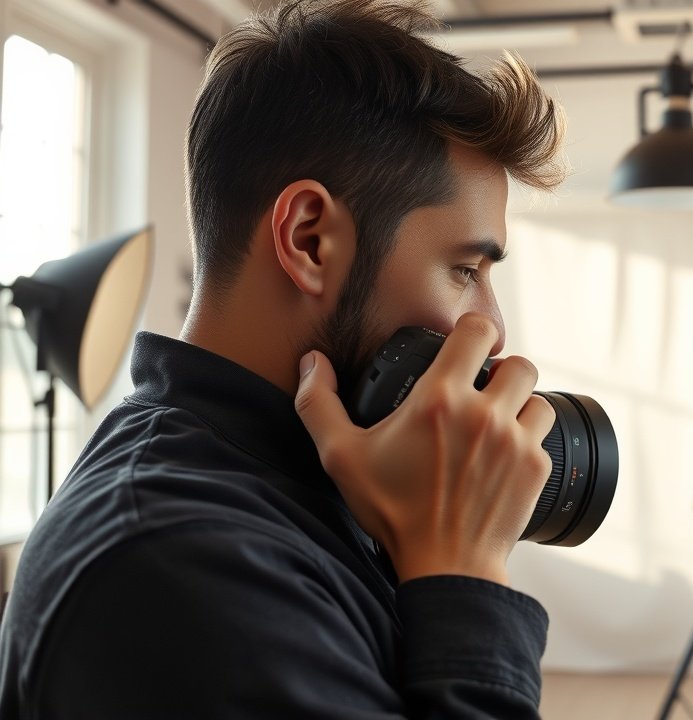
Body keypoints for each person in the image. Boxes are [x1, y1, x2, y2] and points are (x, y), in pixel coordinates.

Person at [0, 0, 567, 716]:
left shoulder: (296, 487)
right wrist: (466, 575)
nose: (492, 325)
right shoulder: (180, 569)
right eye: (466, 270)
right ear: (309, 240)